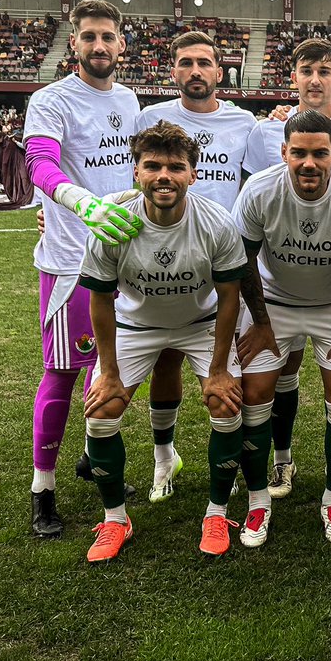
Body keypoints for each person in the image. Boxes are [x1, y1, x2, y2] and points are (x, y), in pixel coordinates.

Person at [78, 121, 246, 562]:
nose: (163, 176)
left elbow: (230, 298)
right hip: (137, 326)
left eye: (176, 166)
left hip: (201, 323)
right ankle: (116, 519)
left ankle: (217, 511)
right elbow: (100, 300)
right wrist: (109, 373)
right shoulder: (114, 222)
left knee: (226, 405)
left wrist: (219, 369)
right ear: (135, 172)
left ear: (194, 173)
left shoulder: (215, 222)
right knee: (101, 413)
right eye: (152, 166)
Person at [23, 0, 142, 539]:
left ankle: (94, 458)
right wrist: (79, 204)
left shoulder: (129, 99)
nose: (99, 46)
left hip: (124, 259)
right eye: (89, 37)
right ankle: (41, 489)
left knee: (109, 373)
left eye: (107, 37)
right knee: (64, 374)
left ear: (122, 44)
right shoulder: (51, 100)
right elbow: (40, 164)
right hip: (73, 263)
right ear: (74, 43)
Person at [234, 110, 331, 547]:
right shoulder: (260, 190)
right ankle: (258, 501)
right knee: (255, 392)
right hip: (274, 303)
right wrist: (261, 323)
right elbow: (243, 262)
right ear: (283, 153)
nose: (309, 163)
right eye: (298, 153)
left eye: (320, 153)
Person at [134, 30, 256, 504]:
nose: (196, 71)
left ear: (219, 72)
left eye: (204, 63)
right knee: (165, 357)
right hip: (159, 253)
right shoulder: (148, 117)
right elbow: (121, 170)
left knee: (230, 370)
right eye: (186, 63)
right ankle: (166, 459)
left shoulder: (245, 121)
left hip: (221, 257)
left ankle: (240, 464)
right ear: (173, 71)